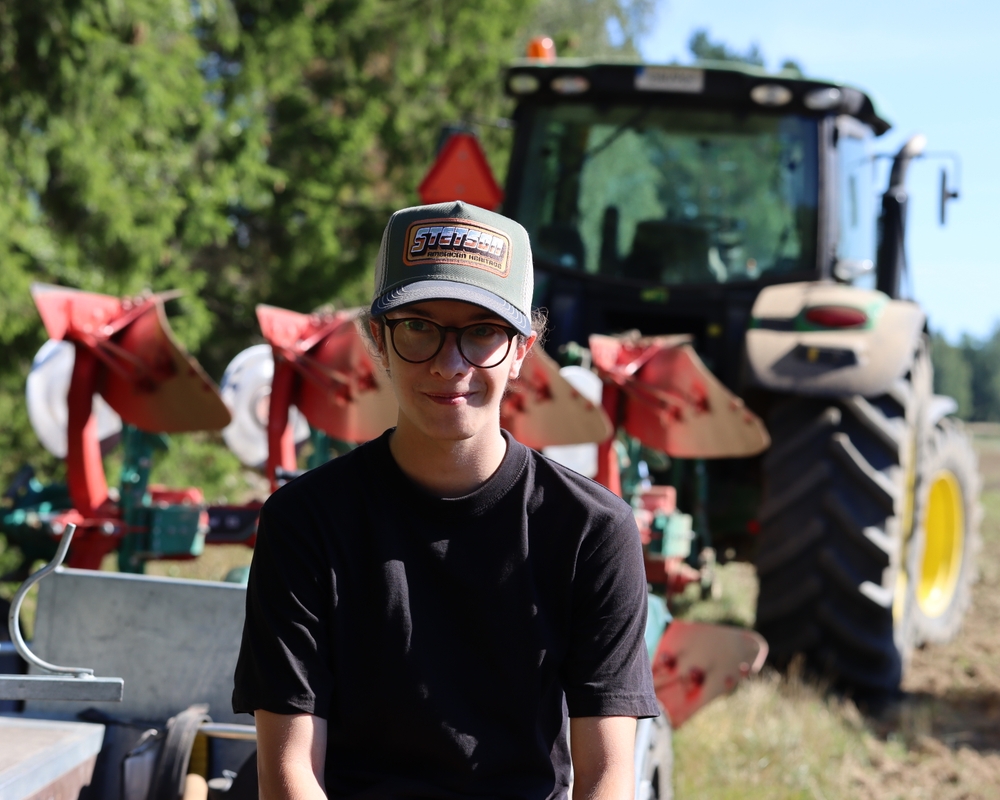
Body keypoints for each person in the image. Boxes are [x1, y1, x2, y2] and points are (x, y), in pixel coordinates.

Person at [233, 201, 659, 799]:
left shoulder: (591, 530)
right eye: (419, 328)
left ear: (521, 350)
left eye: (481, 331)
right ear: (378, 339)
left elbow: (608, 778)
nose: (449, 363)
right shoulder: (306, 521)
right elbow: (289, 774)